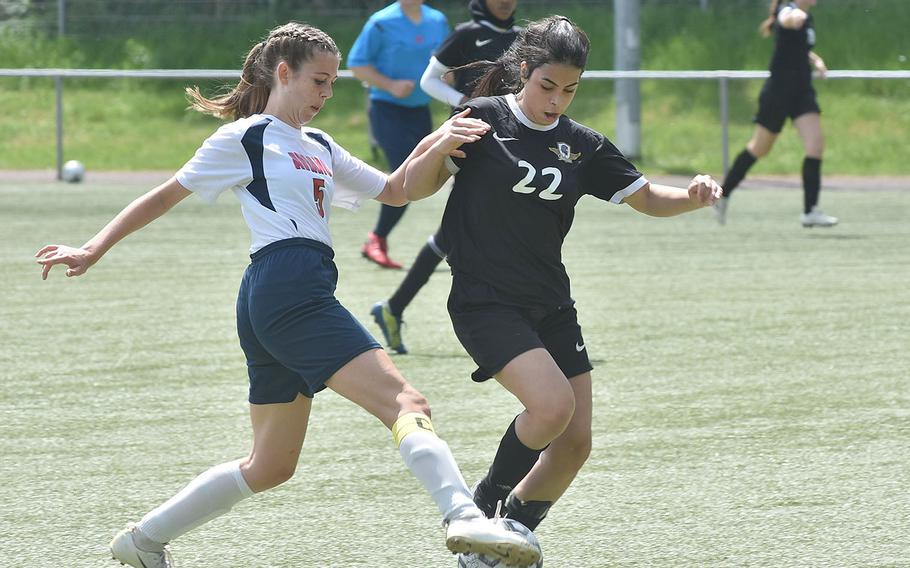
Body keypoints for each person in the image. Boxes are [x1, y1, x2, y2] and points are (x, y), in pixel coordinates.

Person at [34, 22, 541, 568]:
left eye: (333, 85)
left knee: (270, 464)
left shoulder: (318, 144)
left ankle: (142, 541)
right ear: (283, 72)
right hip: (286, 284)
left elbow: (398, 189)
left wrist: (440, 142)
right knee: (407, 404)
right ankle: (465, 516)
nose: (326, 95)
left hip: (279, 294)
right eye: (318, 82)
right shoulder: (245, 136)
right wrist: (92, 247)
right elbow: (165, 195)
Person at [402, 15, 723, 562]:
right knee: (551, 408)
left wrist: (692, 195)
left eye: (569, 90)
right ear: (523, 71)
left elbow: (647, 198)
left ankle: (503, 538)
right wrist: (439, 146)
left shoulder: (584, 146)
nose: (556, 101)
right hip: (486, 301)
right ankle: (480, 513)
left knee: (575, 443)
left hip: (551, 303)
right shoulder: (481, 119)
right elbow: (409, 187)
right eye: (547, 85)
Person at [371, 0, 521, 354]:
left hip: (513, 142)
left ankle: (393, 308)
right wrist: (464, 100)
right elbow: (429, 80)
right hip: (474, 141)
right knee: (469, 229)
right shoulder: (467, 34)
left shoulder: (521, 38)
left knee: (461, 231)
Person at [714, 0, 837, 227]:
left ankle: (810, 211)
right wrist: (794, 15)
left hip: (802, 92)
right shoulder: (788, 11)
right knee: (760, 148)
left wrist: (816, 60)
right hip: (778, 93)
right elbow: (787, 19)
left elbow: (800, 47)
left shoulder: (807, 17)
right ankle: (723, 194)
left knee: (815, 145)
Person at [348, 0, 451, 269]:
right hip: (386, 111)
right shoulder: (380, 22)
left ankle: (378, 239)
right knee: (404, 179)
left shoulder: (437, 20)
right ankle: (376, 239)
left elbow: (447, 61)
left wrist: (449, 79)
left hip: (421, 112)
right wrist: (390, 85)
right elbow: (357, 63)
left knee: (423, 177)